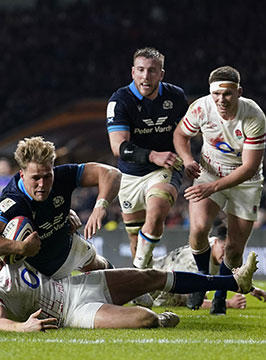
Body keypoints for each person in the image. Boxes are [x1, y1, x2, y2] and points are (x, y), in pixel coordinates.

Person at [0, 219, 259, 332]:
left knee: (152, 275)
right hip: (74, 312)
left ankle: (234, 281)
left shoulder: (12, 248)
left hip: (75, 285)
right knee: (145, 319)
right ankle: (160, 317)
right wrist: (23, 328)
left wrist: (64, 223)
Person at [173, 65, 266, 315]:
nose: (221, 100)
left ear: (238, 92)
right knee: (199, 229)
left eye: (227, 94)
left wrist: (211, 187)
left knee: (235, 251)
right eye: (216, 94)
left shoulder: (253, 115)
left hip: (245, 183)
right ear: (210, 92)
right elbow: (180, 135)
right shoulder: (201, 108)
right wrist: (188, 159)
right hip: (209, 172)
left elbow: (249, 167)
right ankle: (202, 279)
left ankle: (220, 296)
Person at [0, 136, 119, 280]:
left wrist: (100, 206)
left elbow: (112, 174)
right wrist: (19, 247)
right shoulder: (12, 200)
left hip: (68, 246)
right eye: (35, 178)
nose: (42, 184)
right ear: (22, 175)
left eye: (47, 177)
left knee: (103, 269)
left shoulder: (62, 175)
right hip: (37, 273)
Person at [106, 47, 188, 270]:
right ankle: (146, 286)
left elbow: (185, 134)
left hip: (166, 167)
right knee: (135, 238)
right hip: (130, 174)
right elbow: (118, 147)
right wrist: (153, 155)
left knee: (157, 210)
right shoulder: (120, 100)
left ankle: (138, 271)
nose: (145, 76)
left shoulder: (176, 96)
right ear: (133, 72)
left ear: (161, 74)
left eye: (152, 71)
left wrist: (188, 159)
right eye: (141, 70)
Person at [151, 223, 266, 309]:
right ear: (216, 242)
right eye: (224, 248)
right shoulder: (195, 261)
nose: (226, 254)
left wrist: (251, 289)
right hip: (151, 290)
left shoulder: (213, 247)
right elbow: (194, 300)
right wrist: (229, 303)